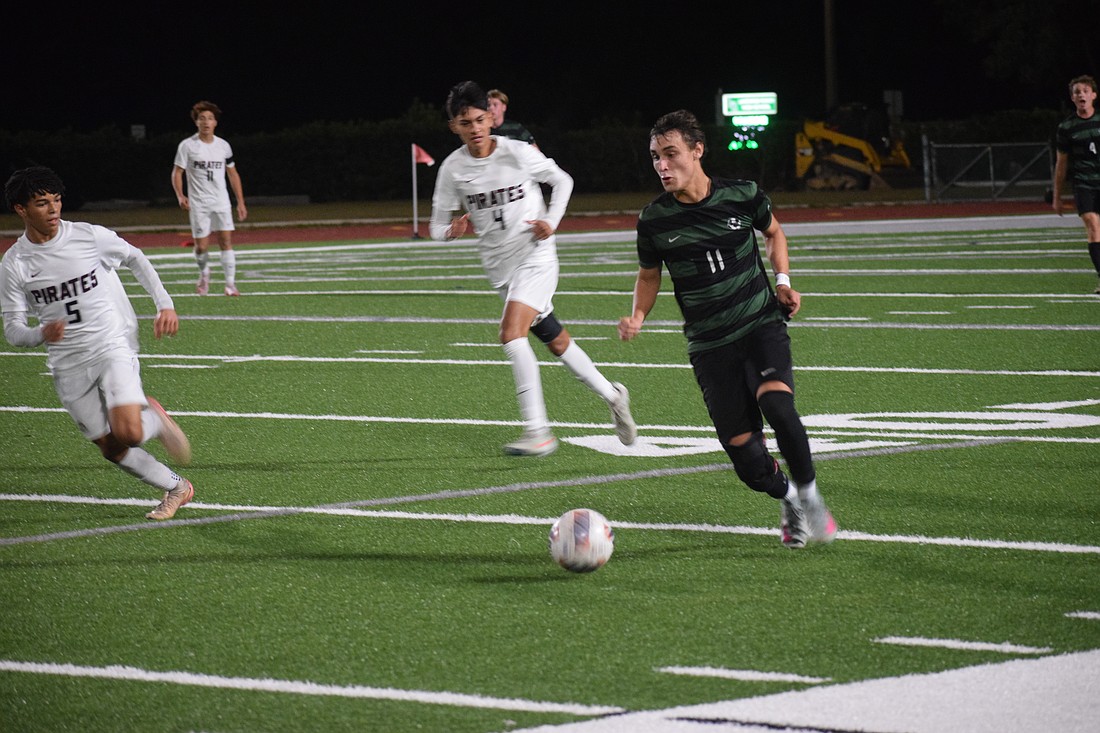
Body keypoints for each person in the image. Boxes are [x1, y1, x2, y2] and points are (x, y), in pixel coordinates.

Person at [618, 110, 836, 549]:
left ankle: (811, 496)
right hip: (709, 344)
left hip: (759, 324)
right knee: (745, 457)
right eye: (655, 157)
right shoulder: (654, 220)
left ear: (697, 151)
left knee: (777, 405)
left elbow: (774, 234)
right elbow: (649, 275)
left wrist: (784, 282)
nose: (661, 165)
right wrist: (638, 315)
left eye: (671, 154)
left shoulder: (743, 195)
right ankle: (789, 498)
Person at [429, 81, 635, 456]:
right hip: (499, 269)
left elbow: (562, 180)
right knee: (555, 339)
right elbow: (434, 228)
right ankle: (613, 395)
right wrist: (450, 230)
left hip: (535, 256)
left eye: (479, 119)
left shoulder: (517, 152)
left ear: (491, 117)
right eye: (465, 122)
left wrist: (551, 221)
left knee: (511, 334)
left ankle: (538, 430)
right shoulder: (452, 169)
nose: (475, 128)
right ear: (454, 127)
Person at [1, 166, 195, 521]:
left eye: (57, 200)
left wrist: (164, 303)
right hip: (66, 363)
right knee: (111, 448)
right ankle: (177, 487)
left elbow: (135, 257)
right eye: (42, 203)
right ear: (20, 209)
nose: (54, 209)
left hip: (111, 343)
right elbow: (13, 330)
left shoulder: (88, 236)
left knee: (130, 433)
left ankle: (154, 421)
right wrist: (40, 334)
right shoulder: (14, 265)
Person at [171, 100, 248, 296]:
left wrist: (240, 201)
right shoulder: (187, 146)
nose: (206, 122)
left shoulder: (223, 146)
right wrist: (180, 195)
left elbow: (233, 174)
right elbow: (177, 172)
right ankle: (204, 274)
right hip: (199, 204)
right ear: (196, 122)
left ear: (215, 123)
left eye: (210, 118)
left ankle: (230, 285)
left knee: (226, 242)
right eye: (202, 118)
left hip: (221, 202)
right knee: (201, 247)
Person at [1052, 74, 1100, 294]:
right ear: (1072, 98)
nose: (1081, 94)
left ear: (1093, 95)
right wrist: (1057, 196)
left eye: (1085, 90)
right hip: (1083, 183)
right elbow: (1061, 164)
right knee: (1092, 225)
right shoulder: (1066, 127)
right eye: (1077, 92)